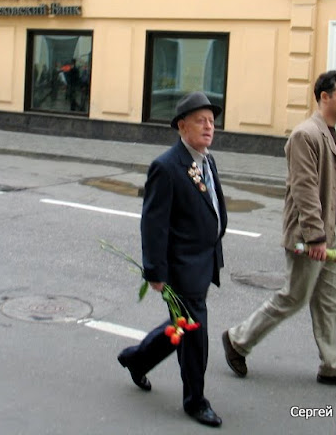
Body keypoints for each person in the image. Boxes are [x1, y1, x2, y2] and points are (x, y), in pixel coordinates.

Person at [222, 70, 336, 384]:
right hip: (312, 234)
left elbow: (324, 180)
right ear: (325, 97)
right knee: (294, 296)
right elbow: (304, 189)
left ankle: (333, 365)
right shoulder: (305, 134)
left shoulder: (330, 131)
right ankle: (238, 340)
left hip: (331, 229)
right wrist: (316, 237)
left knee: (331, 299)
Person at [117, 91, 227, 428]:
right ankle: (195, 400)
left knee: (181, 326)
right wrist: (155, 271)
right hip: (181, 268)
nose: (209, 127)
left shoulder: (206, 160)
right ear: (182, 126)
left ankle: (137, 359)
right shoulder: (166, 166)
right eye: (200, 121)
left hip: (203, 261)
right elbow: (153, 224)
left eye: (211, 121)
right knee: (195, 333)